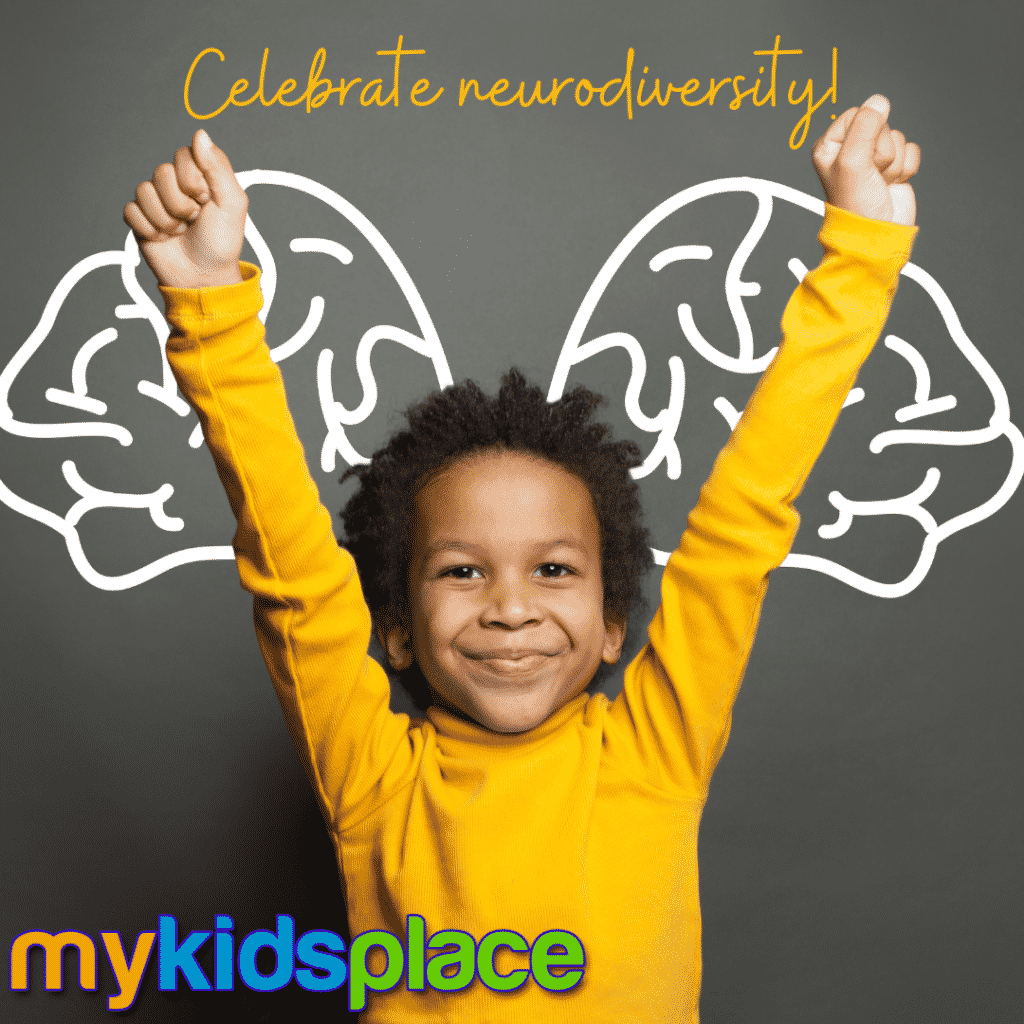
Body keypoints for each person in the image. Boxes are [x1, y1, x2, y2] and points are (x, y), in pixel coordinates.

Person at [124, 95, 920, 1021]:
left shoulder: (654, 755)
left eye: (554, 569)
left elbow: (744, 520)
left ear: (615, 622)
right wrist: (210, 304)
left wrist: (861, 252)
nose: (510, 608)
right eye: (462, 570)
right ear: (396, 630)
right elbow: (293, 569)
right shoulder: (375, 782)